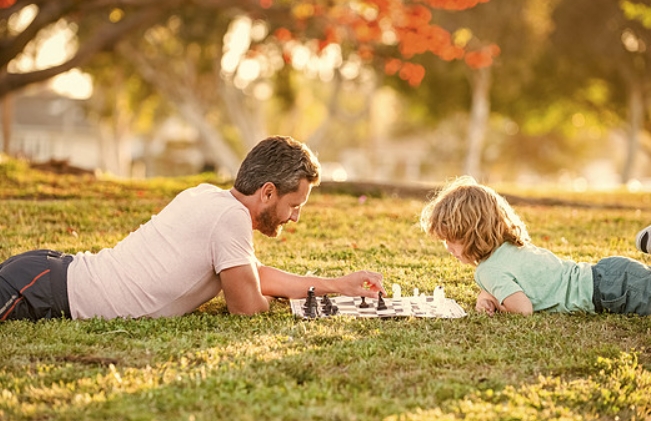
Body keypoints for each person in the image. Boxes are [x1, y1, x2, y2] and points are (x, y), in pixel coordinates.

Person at [0, 135, 385, 322]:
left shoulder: (210, 198)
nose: (295, 218)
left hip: (47, 273)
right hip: (45, 291)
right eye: (293, 206)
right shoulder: (229, 218)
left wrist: (338, 284)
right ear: (268, 192)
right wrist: (269, 300)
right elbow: (248, 307)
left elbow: (253, 274)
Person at [419, 175, 651, 316]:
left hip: (609, 293)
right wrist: (487, 294)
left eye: (451, 238)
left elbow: (523, 309)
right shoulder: (509, 248)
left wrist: (494, 299)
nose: (447, 247)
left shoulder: (487, 271)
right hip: (609, 273)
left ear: (472, 233)